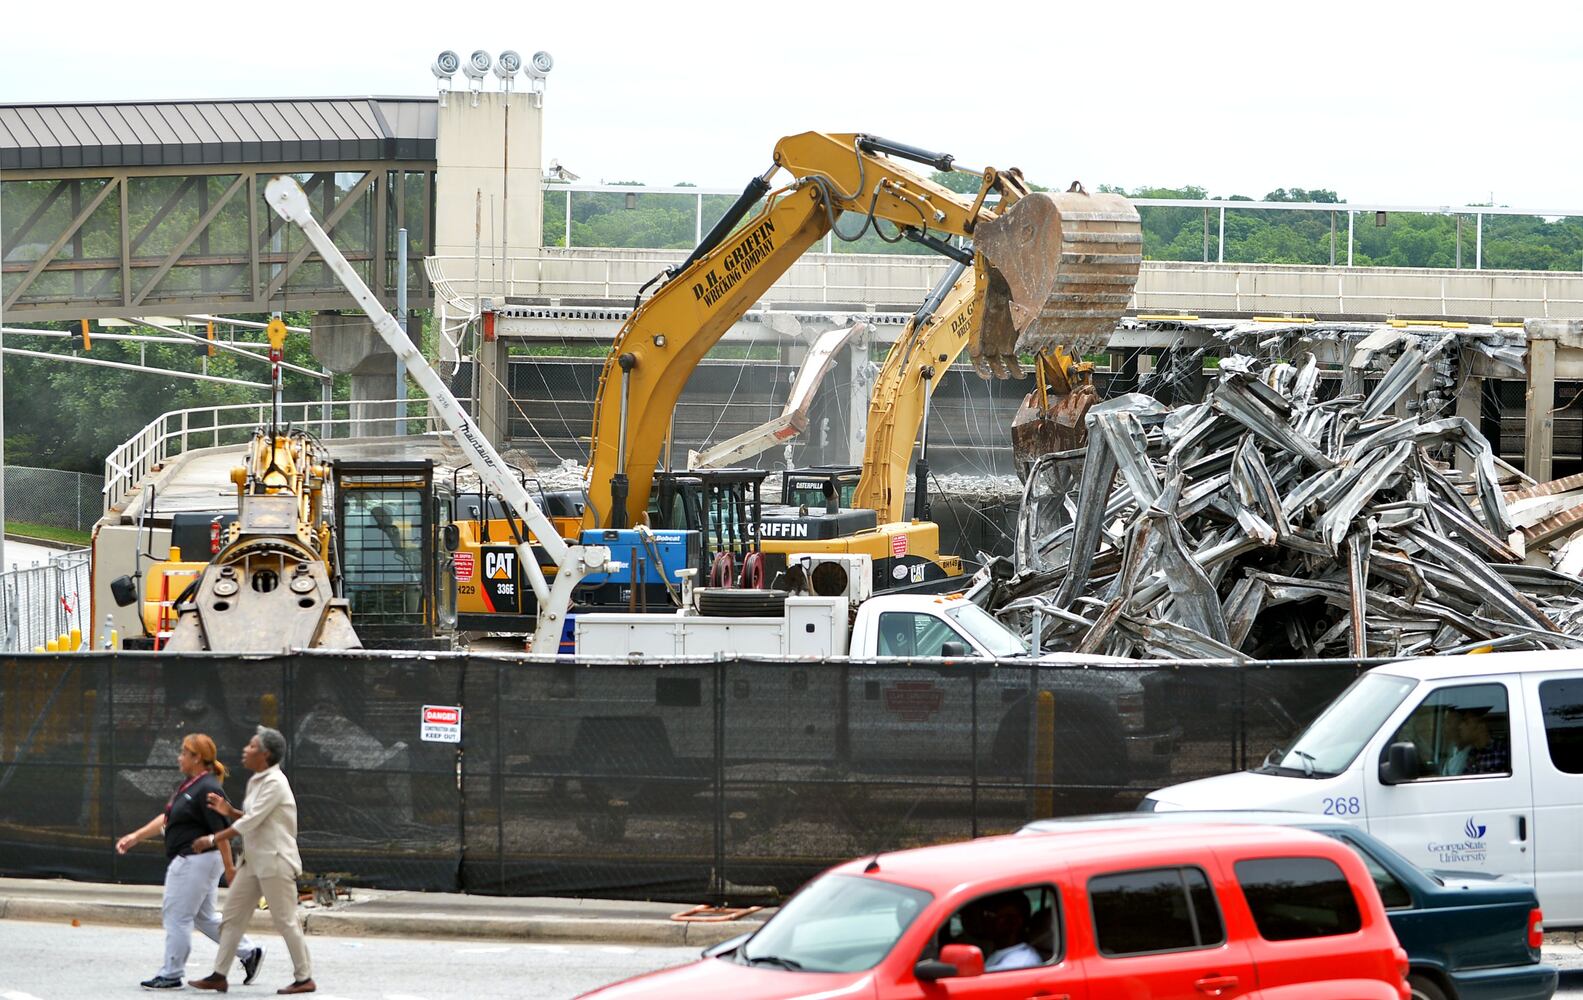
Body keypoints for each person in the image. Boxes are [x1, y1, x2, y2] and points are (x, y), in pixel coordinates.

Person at [114, 734, 263, 991]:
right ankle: (249, 952)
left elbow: (222, 831)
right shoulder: (187, 786)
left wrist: (230, 868)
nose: (179, 757)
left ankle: (172, 973)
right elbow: (167, 819)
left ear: (197, 758)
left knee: (177, 917)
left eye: (184, 753)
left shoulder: (208, 788)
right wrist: (136, 836)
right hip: (197, 862)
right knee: (204, 917)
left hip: (195, 861)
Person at [188, 727, 316, 995]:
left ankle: (304, 978)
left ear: (265, 754)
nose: (245, 750)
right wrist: (229, 811)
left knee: (285, 920)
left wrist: (212, 839)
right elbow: (253, 817)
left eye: (251, 746)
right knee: (232, 918)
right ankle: (219, 975)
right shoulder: (257, 781)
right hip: (254, 861)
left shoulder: (275, 783)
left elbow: (250, 821)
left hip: (276, 861)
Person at [1442, 705, 1510, 777]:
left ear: (1481, 726)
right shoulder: (1471, 754)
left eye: (1466, 722)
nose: (1460, 726)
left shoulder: (1503, 751)